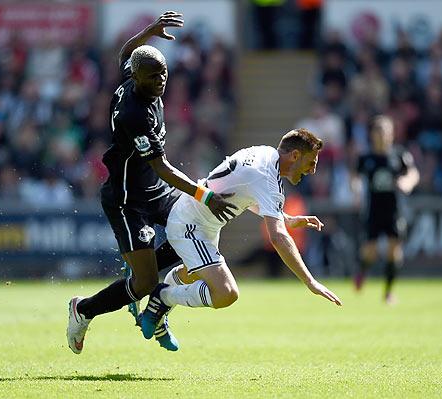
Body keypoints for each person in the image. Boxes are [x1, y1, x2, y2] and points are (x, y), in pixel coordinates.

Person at [67, 11, 237, 354]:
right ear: (138, 79)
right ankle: (83, 309)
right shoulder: (135, 113)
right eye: (153, 76)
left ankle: (153, 297)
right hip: (128, 200)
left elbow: (124, 54)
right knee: (144, 282)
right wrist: (204, 195)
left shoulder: (134, 74)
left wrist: (148, 32)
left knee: (191, 231)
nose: (161, 80)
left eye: (163, 73)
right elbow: (162, 167)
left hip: (156, 193)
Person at [138, 128, 343, 341]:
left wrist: (286, 218)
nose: (312, 171)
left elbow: (247, 192)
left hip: (202, 222)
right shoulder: (266, 176)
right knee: (226, 293)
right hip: (190, 224)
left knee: (191, 274)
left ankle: (157, 314)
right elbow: (278, 237)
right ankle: (163, 297)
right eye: (312, 163)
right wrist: (310, 281)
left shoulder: (265, 154)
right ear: (295, 156)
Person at [353, 115, 419, 304]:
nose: (383, 136)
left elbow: (413, 172)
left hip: (394, 210)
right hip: (374, 209)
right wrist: (356, 192)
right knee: (370, 251)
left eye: (387, 132)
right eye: (379, 131)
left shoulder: (399, 155)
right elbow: (355, 177)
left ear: (392, 134)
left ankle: (388, 292)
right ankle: (363, 271)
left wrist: (407, 182)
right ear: (372, 134)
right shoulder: (366, 158)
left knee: (394, 250)